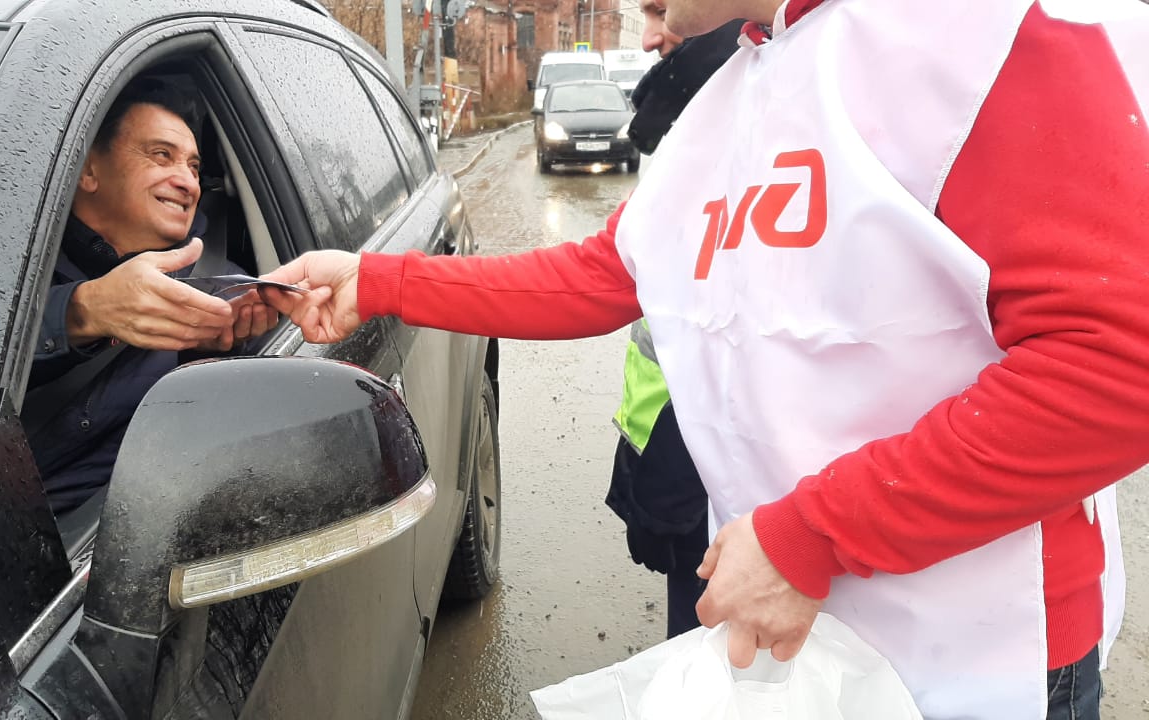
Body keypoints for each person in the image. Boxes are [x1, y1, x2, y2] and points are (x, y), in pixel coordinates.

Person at [262, 1, 1149, 718]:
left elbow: (1120, 370)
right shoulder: (731, 97)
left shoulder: (983, 38)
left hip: (974, 666)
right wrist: (376, 281)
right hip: (784, 646)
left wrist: (815, 535)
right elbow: (596, 274)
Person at [26, 77, 277, 514]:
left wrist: (208, 355)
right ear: (87, 170)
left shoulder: (226, 294)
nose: (188, 182)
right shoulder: (12, 265)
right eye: (161, 155)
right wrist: (80, 312)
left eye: (195, 167)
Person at [608, 14, 747, 640]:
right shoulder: (697, 113)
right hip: (691, 476)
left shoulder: (789, 102)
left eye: (661, 10)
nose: (647, 37)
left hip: (759, 520)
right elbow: (611, 274)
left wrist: (809, 537)